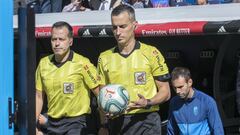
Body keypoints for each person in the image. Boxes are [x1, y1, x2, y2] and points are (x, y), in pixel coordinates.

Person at [97, 5, 171, 135]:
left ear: (135, 25)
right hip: (117, 122)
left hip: (146, 119)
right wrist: (104, 124)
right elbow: (102, 96)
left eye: (123, 26)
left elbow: (166, 91)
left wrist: (148, 102)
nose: (118, 32)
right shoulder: (104, 57)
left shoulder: (151, 53)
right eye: (114, 27)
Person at [35, 21, 101, 135]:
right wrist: (34, 126)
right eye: (54, 39)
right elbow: (39, 97)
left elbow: (100, 94)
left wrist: (104, 124)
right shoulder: (43, 63)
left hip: (77, 123)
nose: (57, 43)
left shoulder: (83, 63)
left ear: (70, 41)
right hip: (52, 123)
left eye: (61, 39)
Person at [167, 67, 224, 135]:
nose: (177, 91)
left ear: (190, 82)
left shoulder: (207, 101)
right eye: (174, 87)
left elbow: (218, 130)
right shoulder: (174, 103)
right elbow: (171, 131)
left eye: (180, 87)